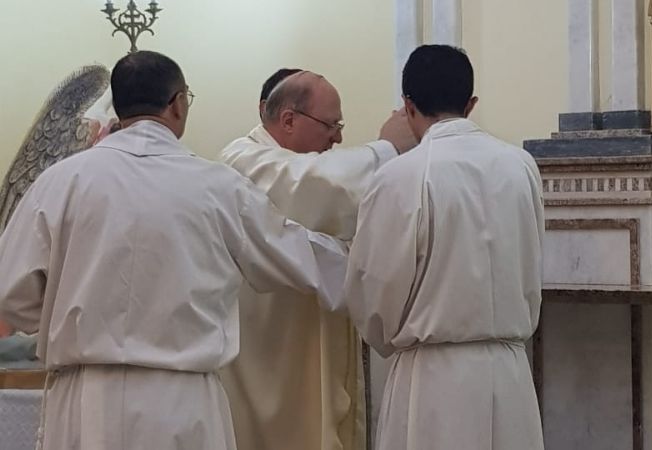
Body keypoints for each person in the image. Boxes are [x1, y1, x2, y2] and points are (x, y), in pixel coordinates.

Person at [0, 50, 349, 450]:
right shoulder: (216, 185)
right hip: (181, 403)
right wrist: (383, 256)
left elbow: (11, 293)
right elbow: (295, 253)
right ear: (178, 104)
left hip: (86, 399)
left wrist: (70, 316)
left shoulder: (60, 182)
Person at [342, 44, 546, 450]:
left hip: (430, 380)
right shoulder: (521, 165)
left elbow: (372, 290)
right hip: (509, 372)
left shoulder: (398, 175)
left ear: (407, 105)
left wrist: (391, 339)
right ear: (470, 103)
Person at [219, 69, 416, 450]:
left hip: (308, 349)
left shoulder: (303, 163)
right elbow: (315, 187)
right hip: (267, 367)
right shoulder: (240, 161)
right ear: (288, 120)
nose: (338, 137)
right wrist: (386, 149)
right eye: (331, 124)